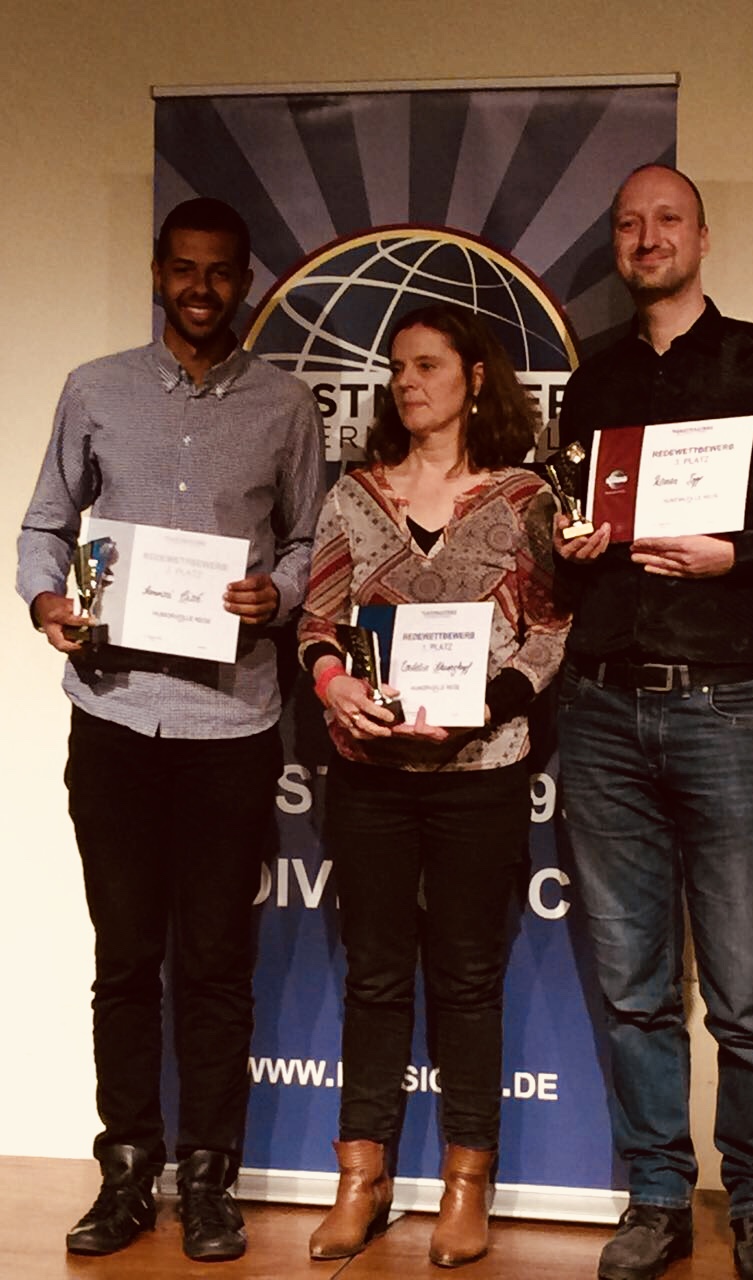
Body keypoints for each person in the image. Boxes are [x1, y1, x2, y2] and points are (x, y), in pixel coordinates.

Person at [553, 166, 753, 1280]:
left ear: (702, 236)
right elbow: (576, 531)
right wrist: (574, 543)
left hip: (728, 705)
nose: (647, 237)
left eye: (667, 220)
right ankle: (656, 1194)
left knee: (744, 983)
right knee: (635, 985)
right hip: (601, 708)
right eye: (629, 224)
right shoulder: (594, 380)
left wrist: (736, 553)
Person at [16, 198, 323, 1262]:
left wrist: (278, 595)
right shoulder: (94, 389)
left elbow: (308, 543)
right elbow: (46, 523)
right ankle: (126, 1170)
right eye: (184, 269)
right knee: (125, 959)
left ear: (245, 281)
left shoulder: (286, 405)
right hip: (114, 716)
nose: (201, 287)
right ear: (159, 273)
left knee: (218, 963)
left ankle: (209, 1178)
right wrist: (46, 601)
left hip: (230, 723)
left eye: (220, 271)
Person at [297, 302, 569, 1268]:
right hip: (371, 772)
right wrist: (334, 685)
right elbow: (317, 620)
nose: (408, 383)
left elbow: (550, 630)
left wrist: (491, 702)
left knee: (467, 977)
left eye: (428, 366)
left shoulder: (525, 499)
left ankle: (465, 1182)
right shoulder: (354, 497)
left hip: (480, 770)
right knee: (375, 974)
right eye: (398, 368)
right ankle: (361, 1179)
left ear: (474, 378)